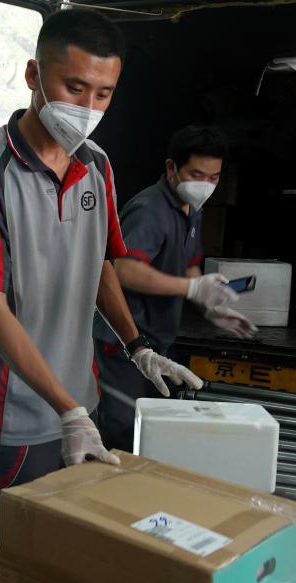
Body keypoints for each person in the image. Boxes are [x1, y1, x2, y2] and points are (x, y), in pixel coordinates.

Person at [0, 10, 202, 583]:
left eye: (103, 93)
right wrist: (65, 408)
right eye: (74, 87)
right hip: (13, 418)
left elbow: (99, 262)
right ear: (34, 74)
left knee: (61, 558)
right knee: (4, 556)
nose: (87, 106)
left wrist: (137, 345)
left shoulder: (96, 165)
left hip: (82, 404)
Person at [93, 125, 258, 452]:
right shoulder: (149, 210)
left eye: (213, 178)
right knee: (122, 433)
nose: (205, 185)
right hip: (121, 345)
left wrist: (209, 304)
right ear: (171, 168)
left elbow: (189, 263)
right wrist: (191, 288)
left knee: (149, 432)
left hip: (157, 343)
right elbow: (124, 270)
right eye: (196, 175)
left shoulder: (192, 210)